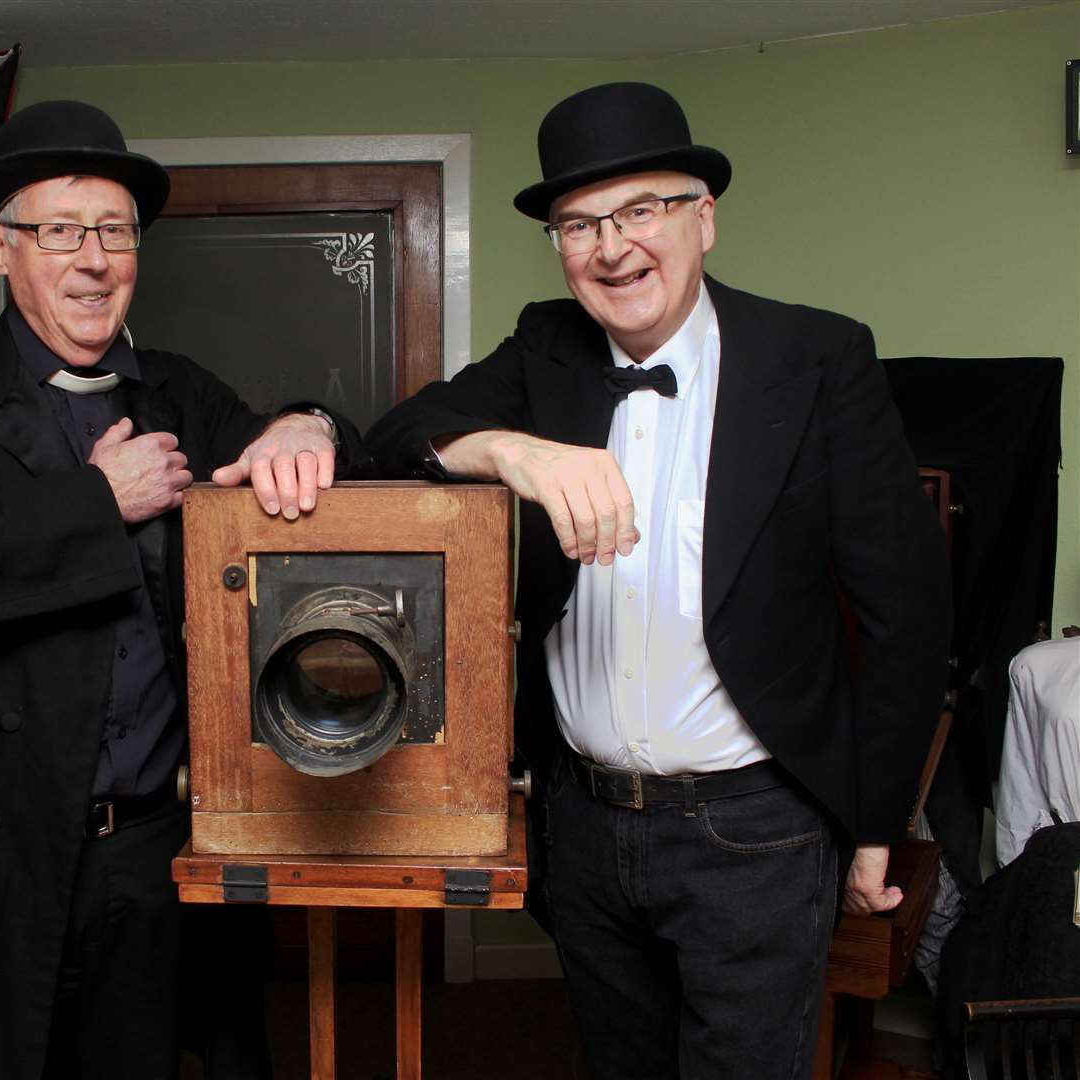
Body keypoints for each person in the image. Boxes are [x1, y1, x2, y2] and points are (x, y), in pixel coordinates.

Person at [366, 82, 952, 1079]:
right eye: (578, 223)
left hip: (757, 830)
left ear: (703, 219)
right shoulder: (545, 347)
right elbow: (389, 441)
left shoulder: (816, 357)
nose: (611, 246)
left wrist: (874, 826)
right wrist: (512, 451)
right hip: (585, 825)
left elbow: (906, 611)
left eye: (642, 210)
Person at [0, 99, 365, 1080]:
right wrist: (94, 502)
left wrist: (307, 425)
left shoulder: (179, 392)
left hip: (147, 852)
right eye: (61, 230)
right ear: (0, 247)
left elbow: (323, 461)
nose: (93, 259)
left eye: (114, 231)